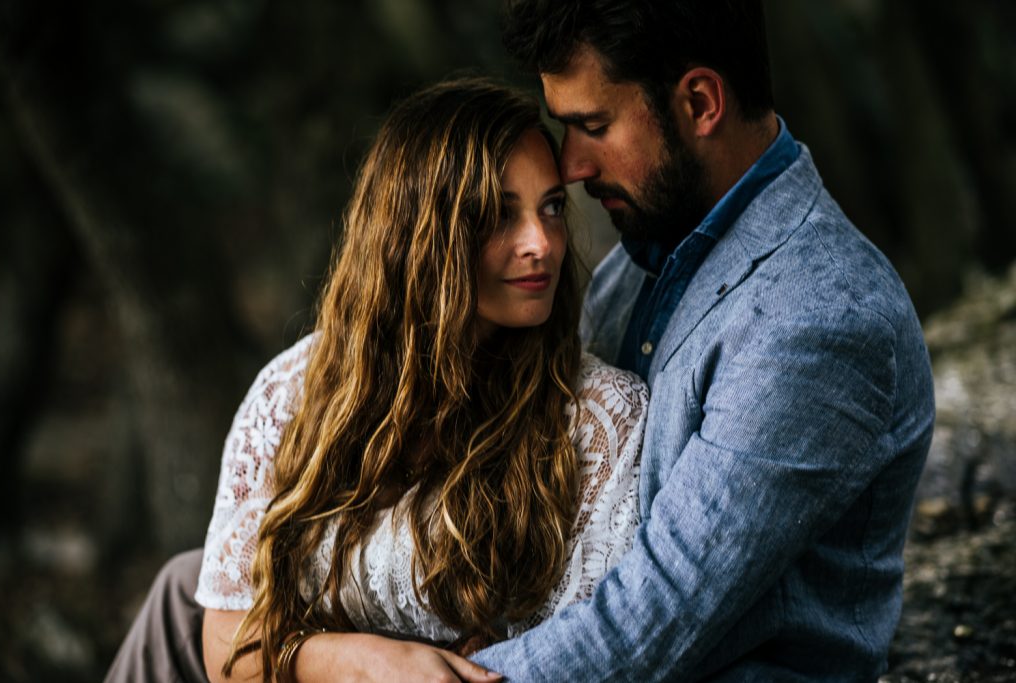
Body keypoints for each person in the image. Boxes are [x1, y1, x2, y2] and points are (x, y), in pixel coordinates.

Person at [107, 77, 648, 682]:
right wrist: (354, 661)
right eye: (497, 214)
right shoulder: (295, 391)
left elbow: (585, 654)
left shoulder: (596, 417)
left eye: (550, 207)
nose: (541, 243)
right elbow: (229, 640)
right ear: (415, 236)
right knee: (178, 588)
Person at [458, 1, 935, 681]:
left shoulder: (817, 318)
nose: (571, 166)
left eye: (593, 126)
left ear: (701, 101)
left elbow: (650, 620)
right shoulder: (630, 271)